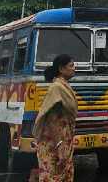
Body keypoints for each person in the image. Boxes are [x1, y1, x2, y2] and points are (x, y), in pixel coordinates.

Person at [33, 54, 78, 182]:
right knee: (53, 177)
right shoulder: (56, 88)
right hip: (53, 143)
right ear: (61, 69)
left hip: (64, 140)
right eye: (71, 65)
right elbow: (52, 120)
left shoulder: (63, 86)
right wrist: (59, 146)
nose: (74, 68)